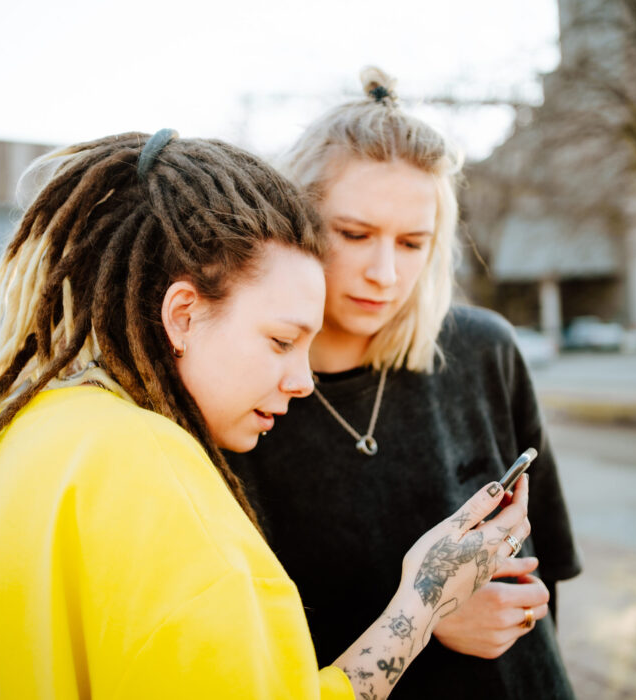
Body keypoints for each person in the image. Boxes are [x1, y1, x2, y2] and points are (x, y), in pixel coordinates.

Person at [0, 130, 531, 699]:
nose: (301, 380)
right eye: (281, 341)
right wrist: (421, 605)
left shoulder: (26, 432)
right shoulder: (154, 472)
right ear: (182, 315)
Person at [228, 69, 581, 698]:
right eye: (355, 234)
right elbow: (249, 642)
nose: (386, 273)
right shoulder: (241, 403)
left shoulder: (484, 350)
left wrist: (520, 612)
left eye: (413, 242)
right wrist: (428, 618)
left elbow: (547, 571)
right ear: (295, 221)